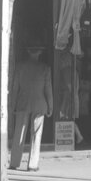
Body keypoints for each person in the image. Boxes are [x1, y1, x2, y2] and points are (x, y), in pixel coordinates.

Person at [9, 43, 53, 172]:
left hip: (22, 103)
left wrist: (12, 105)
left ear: (28, 52)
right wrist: (51, 106)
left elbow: (15, 88)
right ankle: (33, 164)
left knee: (19, 133)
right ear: (39, 53)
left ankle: (14, 162)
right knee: (36, 134)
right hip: (40, 104)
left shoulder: (20, 67)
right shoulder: (45, 68)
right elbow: (48, 90)